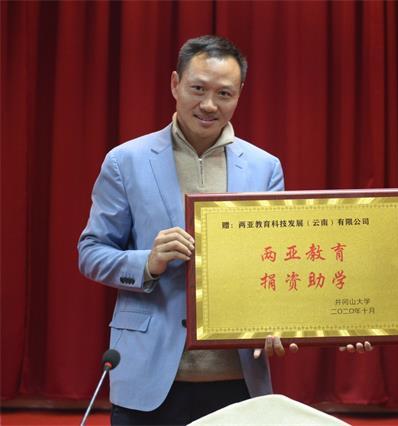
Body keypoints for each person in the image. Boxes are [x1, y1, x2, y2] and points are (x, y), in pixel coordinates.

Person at [78, 35, 296, 425]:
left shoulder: (264, 167)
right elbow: (91, 253)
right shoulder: (126, 161)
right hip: (148, 375)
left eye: (224, 93)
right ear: (175, 84)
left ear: (239, 95)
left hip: (237, 378)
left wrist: (281, 317)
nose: (209, 104)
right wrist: (149, 262)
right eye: (198, 89)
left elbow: (274, 263)